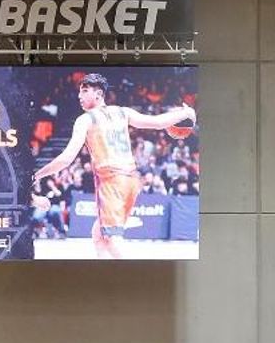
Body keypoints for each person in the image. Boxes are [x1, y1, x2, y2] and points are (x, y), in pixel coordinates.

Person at [30, 73, 196, 259]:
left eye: (85, 91)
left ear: (99, 94)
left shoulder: (85, 120)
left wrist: (38, 174)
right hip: (131, 181)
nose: (79, 96)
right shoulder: (122, 112)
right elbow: (157, 123)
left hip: (112, 182)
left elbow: (66, 158)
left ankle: (139, 281)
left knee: (113, 241)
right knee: (99, 234)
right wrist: (186, 113)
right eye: (79, 91)